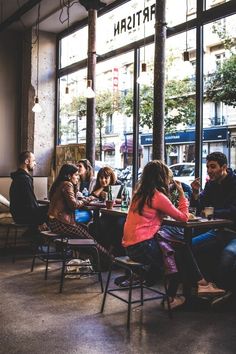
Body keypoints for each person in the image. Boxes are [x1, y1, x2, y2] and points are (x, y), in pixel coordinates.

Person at [122, 160, 225, 310]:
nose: (169, 181)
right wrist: (183, 194)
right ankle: (180, 294)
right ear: (161, 178)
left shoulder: (139, 194)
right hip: (143, 246)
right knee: (178, 256)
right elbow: (183, 217)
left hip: (131, 246)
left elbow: (157, 217)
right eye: (168, 177)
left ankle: (197, 286)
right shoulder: (157, 196)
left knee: (181, 248)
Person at [191, 152, 236, 302]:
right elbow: (201, 208)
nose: (209, 170)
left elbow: (233, 211)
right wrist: (196, 194)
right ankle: (202, 286)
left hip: (233, 233)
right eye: (207, 167)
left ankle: (223, 291)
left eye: (213, 167)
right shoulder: (210, 184)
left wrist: (212, 212)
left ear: (224, 167)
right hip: (218, 231)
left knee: (228, 255)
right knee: (188, 247)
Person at [48, 163, 111, 259]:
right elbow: (74, 205)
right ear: (69, 176)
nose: (78, 177)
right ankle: (111, 260)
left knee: (86, 230)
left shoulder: (59, 184)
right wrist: (90, 198)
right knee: (91, 241)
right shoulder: (67, 184)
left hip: (54, 223)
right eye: (76, 175)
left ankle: (91, 259)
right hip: (62, 223)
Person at [92, 166, 124, 256]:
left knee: (116, 226)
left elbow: (125, 200)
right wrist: (102, 187)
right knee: (97, 225)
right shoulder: (99, 186)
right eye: (101, 178)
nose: (103, 180)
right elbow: (92, 197)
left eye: (106, 178)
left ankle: (111, 251)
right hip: (106, 215)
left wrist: (110, 197)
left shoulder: (118, 185)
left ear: (111, 177)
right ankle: (102, 252)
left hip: (118, 215)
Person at [9, 151, 48, 226]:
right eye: (33, 161)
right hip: (23, 216)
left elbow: (29, 201)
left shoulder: (19, 177)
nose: (35, 163)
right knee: (52, 209)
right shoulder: (24, 178)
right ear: (27, 161)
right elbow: (31, 203)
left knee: (49, 208)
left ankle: (32, 232)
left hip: (18, 214)